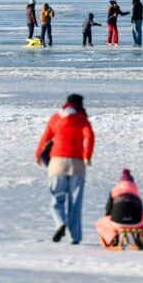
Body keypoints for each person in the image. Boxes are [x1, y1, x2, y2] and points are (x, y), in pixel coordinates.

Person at [34, 93, 94, 245]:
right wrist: (87, 155)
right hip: (77, 163)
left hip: (57, 163)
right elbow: (90, 136)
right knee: (75, 202)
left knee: (57, 198)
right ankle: (75, 237)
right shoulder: (81, 119)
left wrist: (37, 155)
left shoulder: (56, 117)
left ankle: (60, 222)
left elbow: (45, 137)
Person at [94, 168, 143, 248]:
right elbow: (140, 209)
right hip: (136, 223)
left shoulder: (114, 191)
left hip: (117, 222)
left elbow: (109, 208)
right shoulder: (136, 191)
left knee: (100, 223)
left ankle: (112, 239)